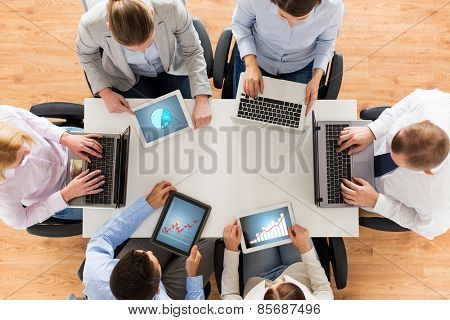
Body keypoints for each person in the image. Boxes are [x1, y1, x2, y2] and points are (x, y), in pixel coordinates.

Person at [76, 0, 212, 129]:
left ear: (152, 13)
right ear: (109, 27)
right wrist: (105, 92)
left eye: (148, 42)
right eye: (131, 48)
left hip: (172, 66)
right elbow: (86, 54)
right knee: (140, 127)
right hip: (127, 77)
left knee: (186, 119)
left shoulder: (171, 7)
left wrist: (202, 98)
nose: (141, 51)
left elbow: (192, 50)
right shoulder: (91, 24)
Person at [337, 89, 450, 240]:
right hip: (367, 143)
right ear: (425, 122)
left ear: (427, 171)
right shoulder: (432, 103)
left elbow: (426, 227)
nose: (390, 154)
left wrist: (376, 201)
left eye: (398, 163)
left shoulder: (440, 205)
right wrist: (373, 131)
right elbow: (409, 102)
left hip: (370, 191)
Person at [83, 181, 215, 300]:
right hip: (169, 295)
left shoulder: (96, 272)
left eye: (142, 253)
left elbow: (102, 237)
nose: (150, 252)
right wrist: (192, 276)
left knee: (164, 226)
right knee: (211, 241)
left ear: (116, 266)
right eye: (155, 262)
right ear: (157, 290)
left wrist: (148, 204)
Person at [0, 105, 105, 229]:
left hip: (65, 145)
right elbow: (21, 221)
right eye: (22, 158)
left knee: (120, 146)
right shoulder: (2, 192)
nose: (28, 151)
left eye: (23, 142)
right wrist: (66, 195)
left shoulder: (4, 116)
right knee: (118, 208)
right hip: (63, 193)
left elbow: (29, 119)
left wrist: (65, 138)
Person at [232, 0, 344, 114]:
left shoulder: (333, 7)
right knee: (245, 113)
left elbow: (326, 42)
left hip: (301, 64)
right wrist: (250, 65)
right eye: (283, 16)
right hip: (256, 57)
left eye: (301, 19)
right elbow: (240, 24)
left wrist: (316, 79)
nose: (292, 25)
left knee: (292, 119)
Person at [220, 219, 333, 300]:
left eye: (269, 288)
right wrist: (305, 249)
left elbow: (230, 294)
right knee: (291, 219)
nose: (279, 280)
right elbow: (323, 288)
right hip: (298, 269)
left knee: (254, 220)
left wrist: (231, 250)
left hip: (259, 278)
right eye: (283, 283)